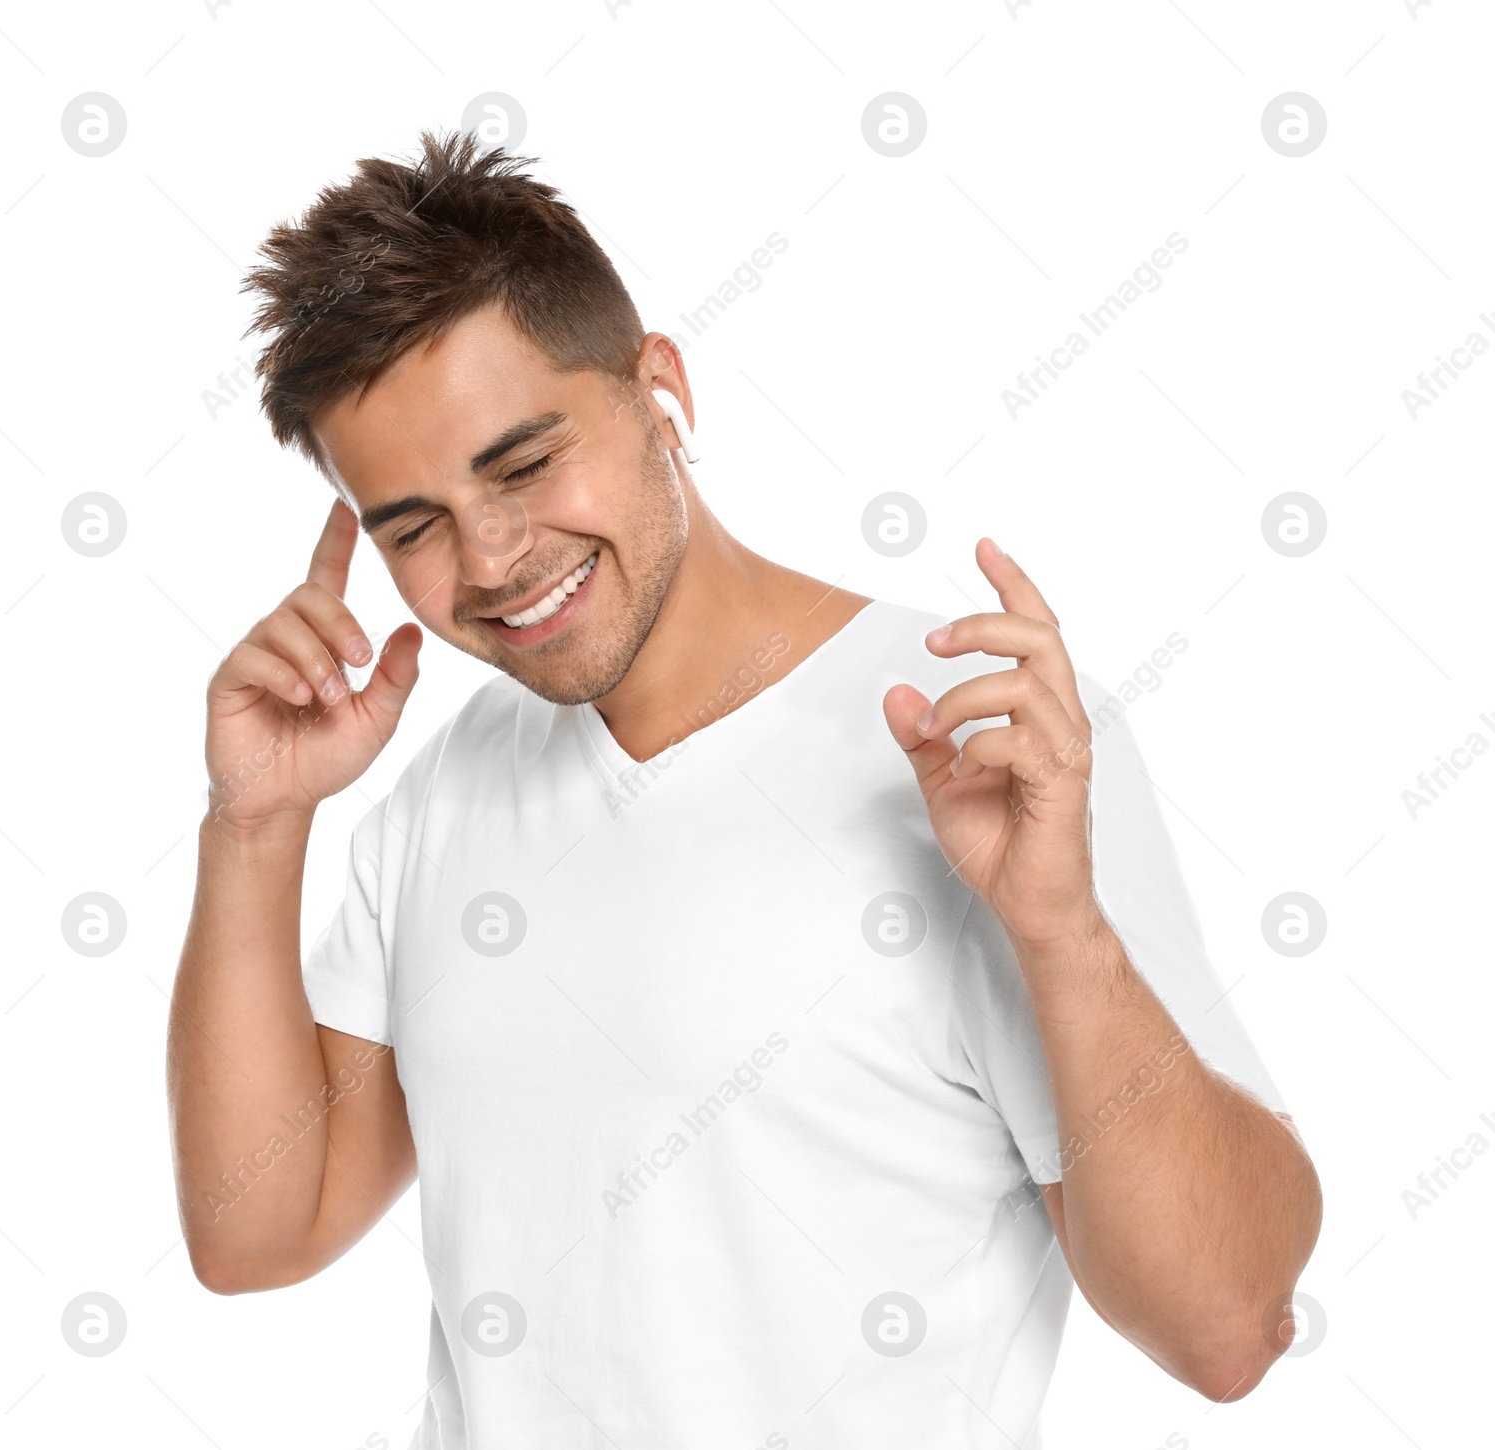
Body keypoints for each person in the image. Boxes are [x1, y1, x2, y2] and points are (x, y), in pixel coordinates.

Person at [167, 129, 1321, 1449]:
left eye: (524, 463)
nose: (490, 556)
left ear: (660, 388)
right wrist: (254, 823)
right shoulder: (441, 795)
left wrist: (1063, 936)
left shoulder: (974, 748)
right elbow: (256, 1232)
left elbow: (1230, 1329)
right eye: (412, 524)